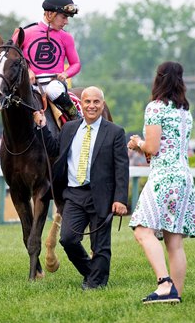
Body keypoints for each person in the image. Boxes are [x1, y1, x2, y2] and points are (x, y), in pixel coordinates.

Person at [34, 86, 129, 289]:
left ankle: (96, 284)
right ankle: (92, 273)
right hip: (74, 194)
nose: (92, 106)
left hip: (102, 195)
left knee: (100, 245)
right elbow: (54, 149)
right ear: (81, 104)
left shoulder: (115, 132)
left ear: (102, 105)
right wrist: (42, 126)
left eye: (96, 102)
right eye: (87, 102)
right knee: (68, 239)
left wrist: (120, 198)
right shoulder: (69, 128)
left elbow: (122, 168)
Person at [127, 61, 195, 304]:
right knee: (174, 242)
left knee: (141, 229)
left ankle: (164, 284)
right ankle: (175, 295)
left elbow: (152, 147)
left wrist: (137, 143)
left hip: (164, 177)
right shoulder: (185, 111)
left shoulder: (155, 108)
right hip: (184, 178)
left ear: (158, 78)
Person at [12, 0, 81, 120]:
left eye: (68, 18)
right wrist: (28, 70)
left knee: (53, 89)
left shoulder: (66, 37)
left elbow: (76, 64)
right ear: (50, 14)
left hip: (54, 83)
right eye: (64, 17)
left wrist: (65, 74)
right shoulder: (25, 33)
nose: (66, 22)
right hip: (29, 83)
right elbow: (10, 58)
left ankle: (76, 117)